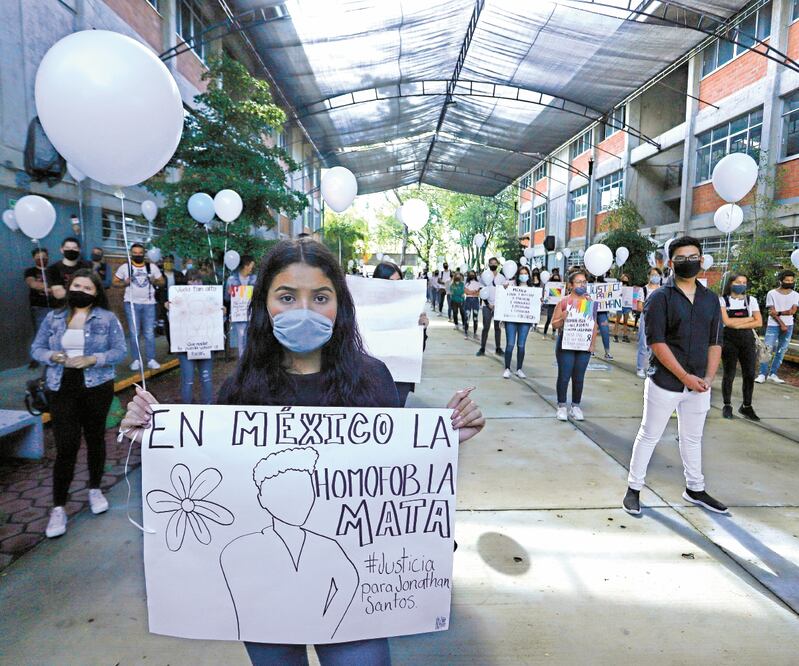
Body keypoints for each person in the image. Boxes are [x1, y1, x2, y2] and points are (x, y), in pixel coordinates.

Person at [121, 239, 485, 666]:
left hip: (357, 617)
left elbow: (393, 471)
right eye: (287, 297)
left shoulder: (373, 379)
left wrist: (443, 439)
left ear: (340, 306)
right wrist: (159, 439)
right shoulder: (240, 390)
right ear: (265, 305)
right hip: (265, 612)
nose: (305, 310)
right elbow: (216, 477)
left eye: (321, 297)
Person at [623, 237, 726, 516]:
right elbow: (657, 343)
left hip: (699, 385)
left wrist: (708, 377)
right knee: (649, 434)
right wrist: (685, 376)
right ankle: (634, 488)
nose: (688, 261)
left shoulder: (710, 299)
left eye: (694, 256)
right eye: (682, 258)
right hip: (665, 383)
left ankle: (695, 488)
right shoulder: (660, 298)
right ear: (671, 263)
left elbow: (715, 341)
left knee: (692, 438)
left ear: (702, 260)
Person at [31, 269, 127, 538]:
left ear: (96, 292)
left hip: (96, 386)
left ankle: (94, 489)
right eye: (77, 285)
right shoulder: (53, 317)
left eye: (87, 287)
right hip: (61, 387)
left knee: (95, 438)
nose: (81, 291)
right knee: (66, 446)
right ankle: (58, 507)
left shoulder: (107, 318)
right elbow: (35, 349)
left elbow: (120, 351)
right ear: (68, 286)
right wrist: (54, 355)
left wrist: (92, 359)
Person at [372, 261, 429, 405]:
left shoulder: (410, 307)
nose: (395, 287)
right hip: (371, 378)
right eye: (390, 282)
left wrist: (421, 329)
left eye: (399, 282)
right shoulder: (365, 308)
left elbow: (418, 350)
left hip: (400, 377)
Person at [551, 270, 597, 421]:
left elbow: (594, 325)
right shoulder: (563, 302)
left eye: (584, 282)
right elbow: (554, 324)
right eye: (578, 282)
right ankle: (562, 406)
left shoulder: (589, 302)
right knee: (564, 376)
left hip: (583, 346)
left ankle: (575, 406)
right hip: (566, 345)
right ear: (570, 285)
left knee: (579, 377)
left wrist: (592, 344)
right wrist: (562, 318)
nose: (582, 285)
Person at [114, 243, 164, 371]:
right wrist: (124, 283)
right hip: (131, 303)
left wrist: (155, 281)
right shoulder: (125, 267)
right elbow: (114, 282)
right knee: (134, 332)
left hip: (149, 304)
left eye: (140, 253)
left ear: (144, 253)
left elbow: (162, 281)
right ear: (131, 253)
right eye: (134, 253)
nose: (137, 255)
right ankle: (136, 360)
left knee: (149, 333)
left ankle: (151, 359)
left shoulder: (151, 267)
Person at [168, 269, 215, 404]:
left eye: (198, 281)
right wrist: (169, 309)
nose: (196, 284)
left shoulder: (209, 299)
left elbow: (215, 323)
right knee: (187, 380)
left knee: (206, 378)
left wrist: (221, 312)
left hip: (206, 345)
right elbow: (173, 323)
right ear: (186, 282)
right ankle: (187, 409)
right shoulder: (177, 300)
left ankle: (208, 407)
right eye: (192, 280)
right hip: (186, 346)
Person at [719, 273, 761, 421]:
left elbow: (759, 322)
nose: (741, 284)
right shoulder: (722, 300)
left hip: (747, 341)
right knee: (729, 373)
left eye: (744, 282)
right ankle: (727, 405)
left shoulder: (751, 300)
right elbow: (727, 322)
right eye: (738, 282)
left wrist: (737, 323)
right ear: (731, 283)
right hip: (729, 340)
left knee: (749, 374)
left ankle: (747, 406)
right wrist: (749, 319)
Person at [756, 269, 798, 384]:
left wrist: (779, 313)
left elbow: (792, 311)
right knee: (767, 349)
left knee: (781, 350)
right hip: (773, 325)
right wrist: (782, 323)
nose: (789, 282)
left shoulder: (795, 295)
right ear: (780, 281)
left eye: (791, 280)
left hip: (789, 325)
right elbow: (771, 312)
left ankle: (773, 374)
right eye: (787, 280)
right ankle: (762, 374)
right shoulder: (772, 293)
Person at [502, 266, 534, 379]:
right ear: (518, 275)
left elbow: (535, 304)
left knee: (521, 345)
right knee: (510, 344)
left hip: (525, 321)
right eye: (521, 273)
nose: (524, 275)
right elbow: (503, 296)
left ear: (528, 275)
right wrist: (504, 288)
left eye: (526, 273)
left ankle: (519, 369)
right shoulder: (511, 286)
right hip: (511, 319)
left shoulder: (532, 289)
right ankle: (507, 368)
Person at [225, 254, 258, 359]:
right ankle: (242, 363)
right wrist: (230, 293)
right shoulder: (231, 279)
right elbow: (226, 298)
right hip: (239, 313)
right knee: (241, 337)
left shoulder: (255, 279)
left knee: (252, 338)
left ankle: (252, 361)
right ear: (246, 265)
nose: (253, 268)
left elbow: (259, 295)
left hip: (252, 313)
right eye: (252, 265)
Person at [24, 247, 52, 368]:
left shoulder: (53, 271)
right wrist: (52, 288)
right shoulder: (30, 271)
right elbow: (32, 284)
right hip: (39, 307)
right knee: (40, 334)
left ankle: (51, 358)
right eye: (38, 257)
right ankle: (36, 358)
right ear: (34, 258)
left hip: (55, 307)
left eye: (44, 257)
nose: (42, 259)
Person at [45, 237, 91, 307]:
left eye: (74, 248)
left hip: (84, 308)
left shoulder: (86, 267)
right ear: (62, 250)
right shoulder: (53, 269)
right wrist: (83, 291)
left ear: (79, 250)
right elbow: (58, 294)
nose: (71, 250)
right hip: (62, 308)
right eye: (67, 248)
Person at [476, 257, 507, 357]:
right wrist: (488, 303)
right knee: (486, 327)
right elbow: (481, 290)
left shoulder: (502, 277)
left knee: (498, 328)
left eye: (495, 263)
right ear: (488, 264)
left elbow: (504, 292)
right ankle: (482, 348)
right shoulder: (484, 276)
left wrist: (497, 304)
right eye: (491, 263)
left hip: (498, 306)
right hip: (486, 305)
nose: (493, 265)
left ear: (498, 264)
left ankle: (498, 348)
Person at [636, 267, 663, 378]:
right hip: (646, 318)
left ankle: (652, 366)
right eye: (653, 274)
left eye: (657, 275)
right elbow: (639, 306)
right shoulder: (643, 290)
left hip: (660, 319)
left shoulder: (663, 290)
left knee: (657, 344)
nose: (655, 277)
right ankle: (641, 367)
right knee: (644, 343)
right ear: (648, 276)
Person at [592, 274, 613, 360]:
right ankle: (591, 350)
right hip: (590, 311)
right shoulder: (589, 284)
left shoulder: (606, 285)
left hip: (602, 311)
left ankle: (607, 352)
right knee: (591, 331)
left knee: (605, 331)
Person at [541, 267, 561, 339]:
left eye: (557, 273)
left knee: (555, 319)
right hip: (551, 304)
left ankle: (553, 333)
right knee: (549, 319)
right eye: (554, 272)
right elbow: (546, 293)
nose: (555, 274)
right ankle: (544, 334)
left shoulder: (561, 284)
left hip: (557, 304)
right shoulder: (549, 284)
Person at [613, 273, 632, 343]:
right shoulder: (618, 286)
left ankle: (625, 336)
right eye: (624, 279)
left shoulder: (630, 288)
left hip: (626, 305)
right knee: (617, 321)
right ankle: (615, 335)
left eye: (626, 279)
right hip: (620, 305)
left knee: (625, 322)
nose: (625, 280)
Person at [463, 270, 481, 339]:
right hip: (468, 300)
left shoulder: (478, 283)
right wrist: (473, 292)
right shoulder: (466, 283)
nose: (472, 275)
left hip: (476, 300)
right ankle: (466, 332)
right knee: (467, 317)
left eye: (473, 274)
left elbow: (478, 293)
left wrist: (471, 292)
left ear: (475, 275)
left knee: (475, 318)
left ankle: (475, 333)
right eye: (470, 274)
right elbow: (466, 292)